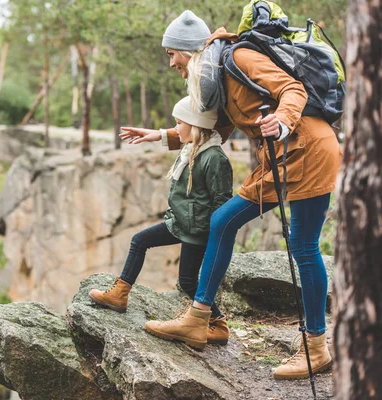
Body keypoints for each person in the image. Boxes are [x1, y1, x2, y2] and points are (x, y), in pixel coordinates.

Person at [121, 10, 342, 380]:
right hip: (278, 159)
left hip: (309, 150)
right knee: (222, 221)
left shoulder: (237, 57)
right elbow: (213, 129)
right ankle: (198, 318)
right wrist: (161, 136)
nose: (170, 62)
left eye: (172, 53)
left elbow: (293, 89)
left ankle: (316, 348)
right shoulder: (214, 77)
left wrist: (283, 120)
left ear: (189, 50)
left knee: (303, 246)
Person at [89, 96, 233, 347]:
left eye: (179, 123)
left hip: (197, 230)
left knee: (187, 281)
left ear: (195, 124)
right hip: (179, 222)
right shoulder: (191, 148)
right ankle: (120, 295)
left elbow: (221, 200)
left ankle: (219, 325)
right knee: (139, 240)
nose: (176, 128)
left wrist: (213, 236)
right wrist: (158, 135)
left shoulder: (214, 158)